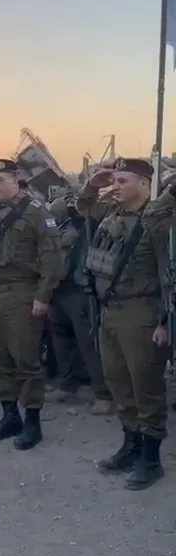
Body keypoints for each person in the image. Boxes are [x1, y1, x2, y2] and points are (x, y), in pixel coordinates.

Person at [79, 158, 170, 489]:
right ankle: (130, 446)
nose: (114, 186)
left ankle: (151, 458)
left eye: (123, 181)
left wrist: (164, 322)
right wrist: (94, 181)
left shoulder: (157, 222)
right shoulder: (112, 216)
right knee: (119, 384)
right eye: (113, 181)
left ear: (144, 185)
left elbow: (168, 276)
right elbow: (83, 205)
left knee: (146, 388)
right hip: (110, 312)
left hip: (141, 314)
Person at [0, 159, 62, 449]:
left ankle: (32, 421)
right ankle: (10, 415)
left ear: (17, 179)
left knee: (26, 360)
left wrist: (43, 296)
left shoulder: (36, 213)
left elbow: (52, 258)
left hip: (21, 294)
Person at [47, 193, 113, 414]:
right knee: (61, 340)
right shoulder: (58, 228)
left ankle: (102, 393)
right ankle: (67, 385)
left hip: (79, 290)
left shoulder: (83, 227)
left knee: (88, 344)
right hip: (58, 289)